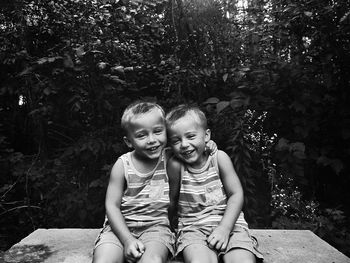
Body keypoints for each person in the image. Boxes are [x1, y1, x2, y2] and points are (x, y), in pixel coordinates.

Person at [165, 104, 264, 263]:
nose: (184, 144)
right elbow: (171, 200)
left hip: (231, 226)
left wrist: (224, 228)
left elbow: (236, 194)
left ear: (206, 135)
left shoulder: (219, 158)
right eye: (176, 140)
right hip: (193, 230)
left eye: (190, 136)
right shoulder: (176, 166)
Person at [93, 101, 175, 263]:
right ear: (129, 141)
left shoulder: (171, 158)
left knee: (153, 260)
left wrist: (208, 145)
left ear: (166, 131)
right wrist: (127, 240)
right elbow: (112, 205)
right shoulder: (123, 165)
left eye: (158, 131)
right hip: (118, 229)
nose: (152, 140)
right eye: (141, 135)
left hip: (156, 229)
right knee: (103, 260)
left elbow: (194, 149)